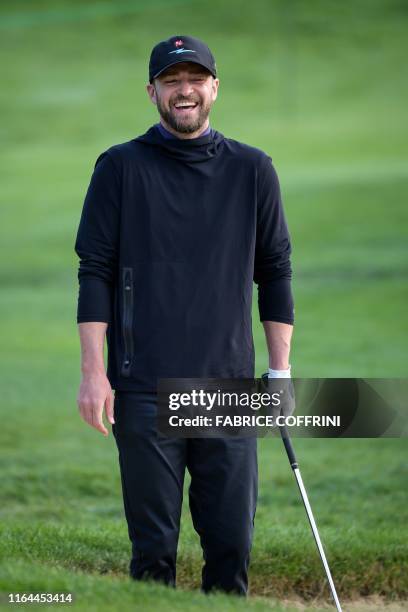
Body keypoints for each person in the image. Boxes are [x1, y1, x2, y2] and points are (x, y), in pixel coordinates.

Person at [74, 34, 294, 596]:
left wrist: (281, 374)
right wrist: (93, 373)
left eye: (195, 80)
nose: (185, 90)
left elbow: (275, 271)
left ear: (214, 88)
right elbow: (94, 270)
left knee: (231, 548)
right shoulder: (119, 167)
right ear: (152, 92)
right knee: (152, 554)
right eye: (172, 81)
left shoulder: (252, 169)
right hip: (143, 387)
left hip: (228, 387)